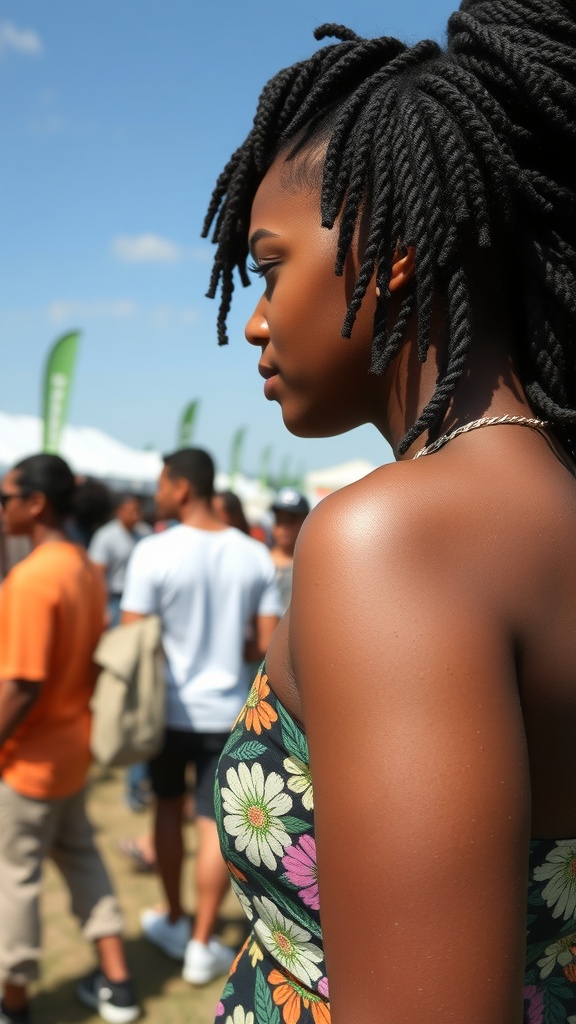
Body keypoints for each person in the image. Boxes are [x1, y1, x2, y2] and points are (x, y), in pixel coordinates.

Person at [202, 2, 576, 1022]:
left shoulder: (396, 542)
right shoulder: (547, 500)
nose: (255, 320)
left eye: (271, 263)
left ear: (390, 242)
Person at [120, 448, 281, 985]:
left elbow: (132, 638)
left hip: (167, 708)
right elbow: (263, 644)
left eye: (162, 483)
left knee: (166, 810)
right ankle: (201, 940)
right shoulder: (253, 554)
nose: (158, 493)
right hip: (228, 709)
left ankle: (172, 916)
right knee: (213, 825)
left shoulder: (153, 550)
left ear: (181, 487)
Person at [0, 455, 139, 1024]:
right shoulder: (83, 566)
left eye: (6, 497)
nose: (3, 507)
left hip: (29, 760)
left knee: (15, 879)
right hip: (73, 751)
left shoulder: (33, 577)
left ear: (36, 503)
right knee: (82, 861)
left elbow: (23, 683)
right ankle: (120, 984)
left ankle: (13, 1001)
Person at [88, 494, 151, 628]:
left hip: (138, 597)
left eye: (137, 511)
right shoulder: (106, 536)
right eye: (131, 511)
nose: (136, 516)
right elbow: (98, 573)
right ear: (120, 511)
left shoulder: (145, 533)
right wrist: (102, 606)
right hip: (114, 599)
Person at [269, 487, 309, 613]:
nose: (284, 528)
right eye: (279, 521)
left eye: (291, 521)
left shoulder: (312, 567)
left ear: (305, 521)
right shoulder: (261, 561)